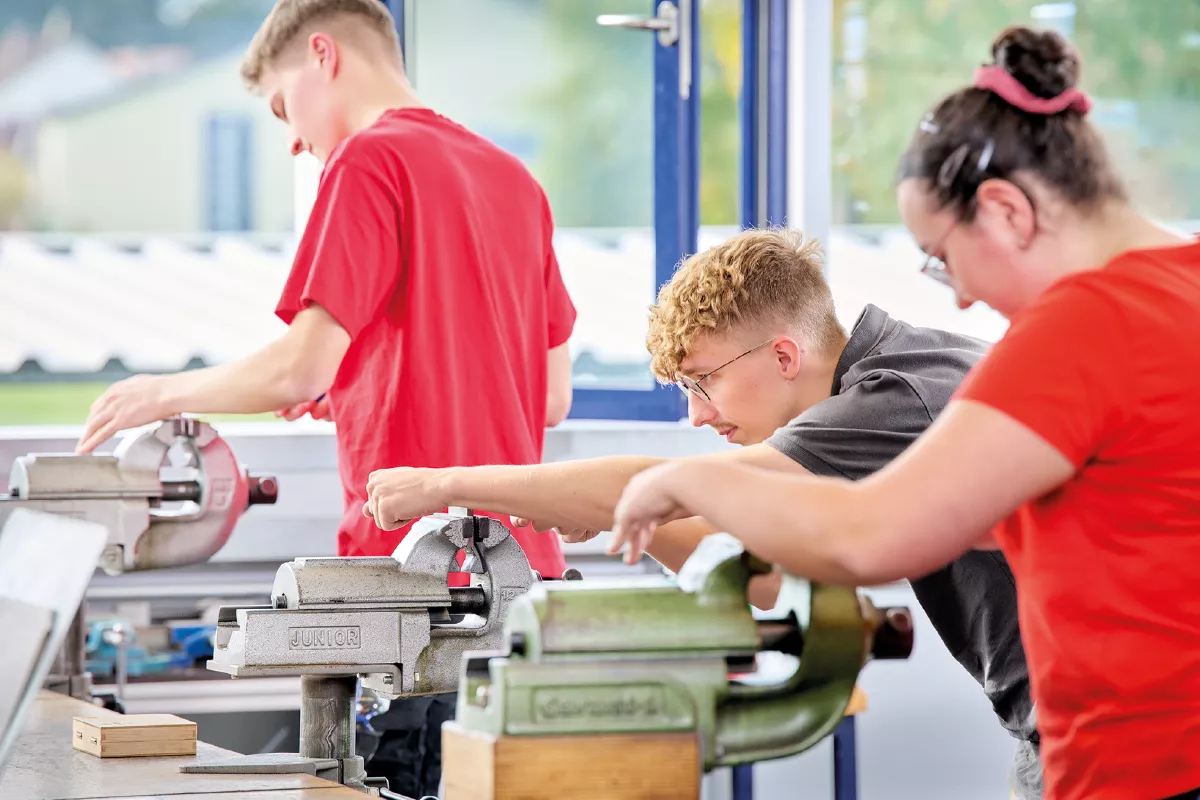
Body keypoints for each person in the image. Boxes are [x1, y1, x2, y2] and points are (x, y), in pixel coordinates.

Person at [607, 26, 1200, 800]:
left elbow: (868, 536)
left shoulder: (1074, 330)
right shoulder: (1180, 287)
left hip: (1143, 767)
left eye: (942, 257)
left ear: (1007, 211)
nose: (956, 295)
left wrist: (688, 485)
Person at [75, 0, 577, 795]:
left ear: (322, 54)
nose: (292, 138)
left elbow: (299, 369)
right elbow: (548, 398)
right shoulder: (515, 179)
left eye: (283, 105)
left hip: (412, 593)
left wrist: (159, 392)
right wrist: (365, 388)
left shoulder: (370, 160)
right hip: (520, 588)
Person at [363, 226, 1043, 798]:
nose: (696, 413)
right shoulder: (897, 376)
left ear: (783, 354)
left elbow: (673, 482)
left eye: (703, 381)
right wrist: (637, 517)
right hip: (1063, 718)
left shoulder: (891, 397)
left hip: (1100, 724)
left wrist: (441, 482)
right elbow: (769, 577)